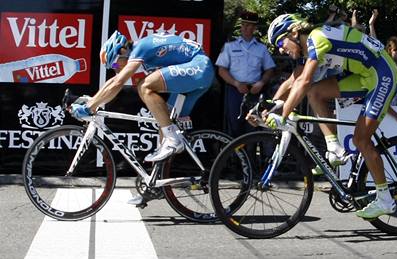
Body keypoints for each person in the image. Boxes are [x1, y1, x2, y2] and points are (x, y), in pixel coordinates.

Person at [262, 14, 397, 219]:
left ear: (293, 32)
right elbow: (294, 80)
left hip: (383, 75)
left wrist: (283, 115)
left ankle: (385, 199)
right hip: (363, 75)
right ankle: (334, 149)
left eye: (280, 42)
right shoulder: (307, 48)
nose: (280, 49)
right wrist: (270, 106)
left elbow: (305, 80)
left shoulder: (317, 39)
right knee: (315, 93)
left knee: (361, 140)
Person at [70, 30, 214, 205]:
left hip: (199, 67)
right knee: (164, 123)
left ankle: (172, 139)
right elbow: (113, 82)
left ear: (122, 50)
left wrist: (89, 108)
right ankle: (154, 186)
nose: (118, 69)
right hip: (197, 71)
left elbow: (118, 83)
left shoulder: (141, 47)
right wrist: (92, 101)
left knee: (144, 86)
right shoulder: (138, 53)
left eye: (116, 64)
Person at [216, 11, 276, 137]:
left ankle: (251, 156)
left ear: (255, 28)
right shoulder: (229, 47)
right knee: (234, 127)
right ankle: (233, 156)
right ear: (241, 26)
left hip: (254, 91)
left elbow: (269, 70)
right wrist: (236, 83)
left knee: (253, 127)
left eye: (250, 26)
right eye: (245, 25)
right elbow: (221, 70)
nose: (247, 28)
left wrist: (261, 83)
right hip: (235, 91)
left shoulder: (262, 48)